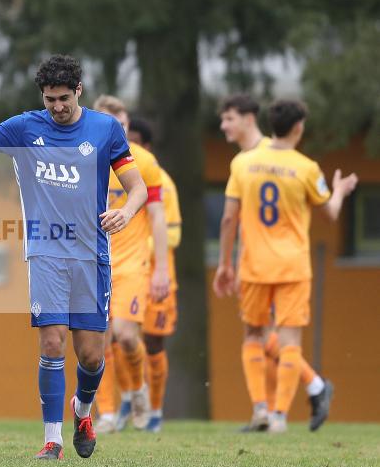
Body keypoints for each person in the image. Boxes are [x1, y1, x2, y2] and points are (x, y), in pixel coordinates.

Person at [0, 55, 147, 459]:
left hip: (91, 255)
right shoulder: (25, 126)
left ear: (79, 91)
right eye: (49, 99)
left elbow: (138, 189)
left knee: (92, 355)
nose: (57, 107)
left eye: (63, 98)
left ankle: (82, 410)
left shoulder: (105, 129)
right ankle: (52, 440)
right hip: (44, 252)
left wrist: (125, 213)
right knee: (52, 343)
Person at [213, 99, 356, 433]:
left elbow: (228, 219)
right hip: (292, 265)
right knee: (289, 341)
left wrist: (224, 264)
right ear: (298, 127)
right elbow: (330, 213)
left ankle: (260, 410)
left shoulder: (243, 164)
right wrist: (340, 191)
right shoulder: (306, 167)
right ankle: (279, 417)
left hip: (254, 265)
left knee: (253, 334)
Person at [90, 96, 169, 434]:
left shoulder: (145, 162)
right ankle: (107, 412)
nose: (117, 132)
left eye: (122, 125)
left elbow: (158, 215)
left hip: (131, 263)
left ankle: (137, 389)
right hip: (92, 261)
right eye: (110, 125)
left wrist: (162, 268)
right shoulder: (85, 156)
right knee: (96, 342)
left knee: (124, 334)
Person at [127, 117, 181, 433]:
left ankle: (156, 411)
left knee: (154, 343)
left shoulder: (162, 182)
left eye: (133, 141)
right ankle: (128, 404)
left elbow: (172, 234)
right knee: (123, 340)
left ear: (145, 148)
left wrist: (137, 245)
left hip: (156, 273)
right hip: (126, 270)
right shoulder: (111, 176)